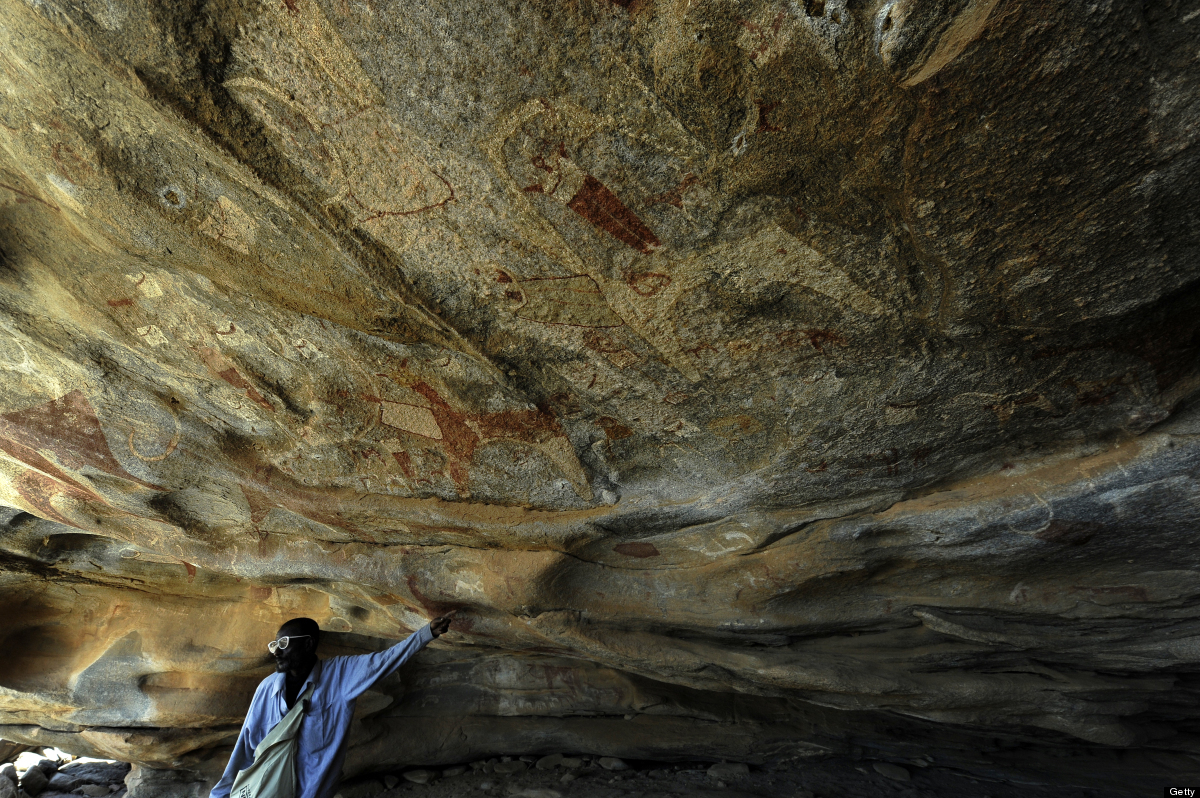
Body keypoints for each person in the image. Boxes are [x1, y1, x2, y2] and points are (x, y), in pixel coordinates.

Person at [209, 612, 456, 798]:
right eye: (274, 646)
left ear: (308, 644)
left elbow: (383, 662)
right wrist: (220, 794)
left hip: (314, 791)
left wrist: (426, 634)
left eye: (283, 644)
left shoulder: (340, 675)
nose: (277, 652)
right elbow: (246, 744)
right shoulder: (267, 688)